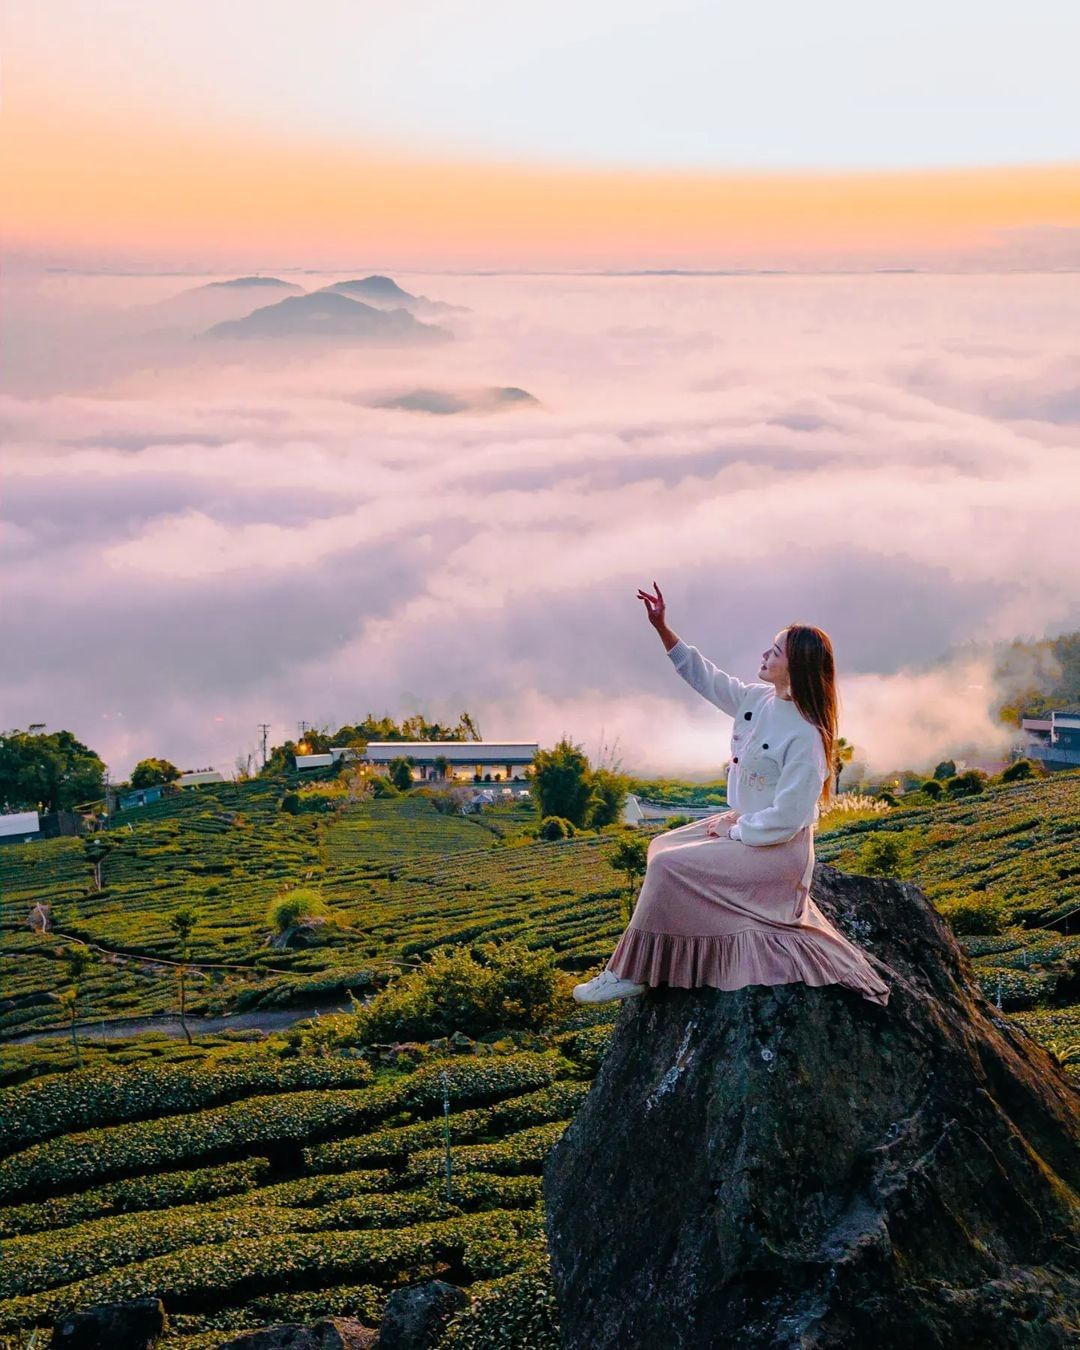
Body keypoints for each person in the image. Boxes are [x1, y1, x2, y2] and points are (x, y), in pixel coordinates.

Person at [572, 582, 890, 1008]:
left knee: (669, 867)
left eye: (774, 652)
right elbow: (706, 678)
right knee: (660, 845)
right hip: (744, 827)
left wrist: (736, 831)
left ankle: (630, 972)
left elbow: (788, 818)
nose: (764, 656)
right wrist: (662, 629)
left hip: (774, 848)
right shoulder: (757, 700)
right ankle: (659, 959)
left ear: (795, 667)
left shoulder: (806, 735)